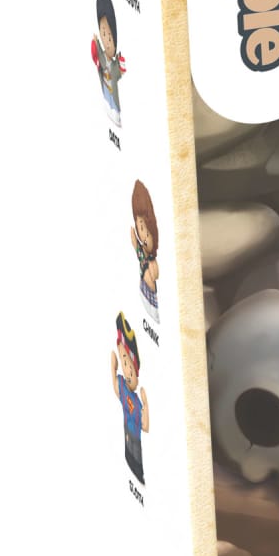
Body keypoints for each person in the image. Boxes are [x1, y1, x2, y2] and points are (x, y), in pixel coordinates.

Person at [113, 315, 149, 483]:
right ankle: (134, 471)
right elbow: (116, 388)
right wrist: (113, 368)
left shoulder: (136, 400)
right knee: (129, 454)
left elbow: (145, 426)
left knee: (137, 457)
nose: (126, 370)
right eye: (124, 363)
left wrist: (146, 405)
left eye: (129, 367)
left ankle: (138, 474)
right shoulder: (123, 387)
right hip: (128, 431)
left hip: (135, 436)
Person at [130, 179, 160, 310]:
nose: (143, 235)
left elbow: (156, 275)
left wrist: (151, 268)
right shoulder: (141, 251)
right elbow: (135, 242)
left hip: (151, 298)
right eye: (139, 226)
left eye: (145, 230)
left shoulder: (151, 258)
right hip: (143, 292)